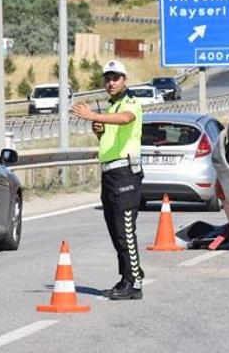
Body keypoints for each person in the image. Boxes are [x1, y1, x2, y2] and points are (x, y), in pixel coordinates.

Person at [71, 60, 144, 300]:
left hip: (125, 172)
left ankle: (134, 283)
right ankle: (126, 278)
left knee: (125, 229)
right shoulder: (110, 107)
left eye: (116, 78)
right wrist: (98, 128)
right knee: (114, 229)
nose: (111, 83)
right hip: (110, 173)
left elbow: (126, 119)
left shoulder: (130, 102)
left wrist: (92, 114)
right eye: (108, 78)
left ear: (125, 80)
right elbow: (110, 133)